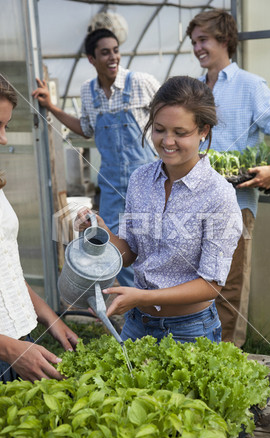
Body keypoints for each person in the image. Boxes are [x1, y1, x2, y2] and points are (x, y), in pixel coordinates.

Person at [75, 76, 242, 344]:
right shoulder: (140, 179)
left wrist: (141, 296)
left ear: (203, 131)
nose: (167, 141)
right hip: (137, 325)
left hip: (190, 331)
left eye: (180, 132)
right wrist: (101, 230)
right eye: (159, 129)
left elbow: (211, 284)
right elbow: (129, 253)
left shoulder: (218, 195)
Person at [186, 10, 270, 347]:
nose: (197, 48)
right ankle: (194, 350)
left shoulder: (249, 85)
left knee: (229, 284)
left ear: (224, 40)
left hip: (236, 203)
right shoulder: (195, 89)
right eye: (194, 42)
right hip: (193, 201)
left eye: (203, 40)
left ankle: (227, 356)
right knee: (194, 280)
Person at [32, 28, 161, 288]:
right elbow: (86, 128)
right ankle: (131, 309)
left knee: (151, 243)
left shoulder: (141, 82)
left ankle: (156, 304)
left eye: (116, 50)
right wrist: (52, 108)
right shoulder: (89, 91)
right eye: (105, 53)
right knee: (112, 245)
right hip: (112, 185)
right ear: (91, 59)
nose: (113, 57)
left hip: (148, 180)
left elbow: (171, 114)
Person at [0, 74, 78, 383]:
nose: (4, 139)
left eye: (5, 126)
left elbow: (7, 270)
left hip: (18, 342)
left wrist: (50, 318)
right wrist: (10, 350)